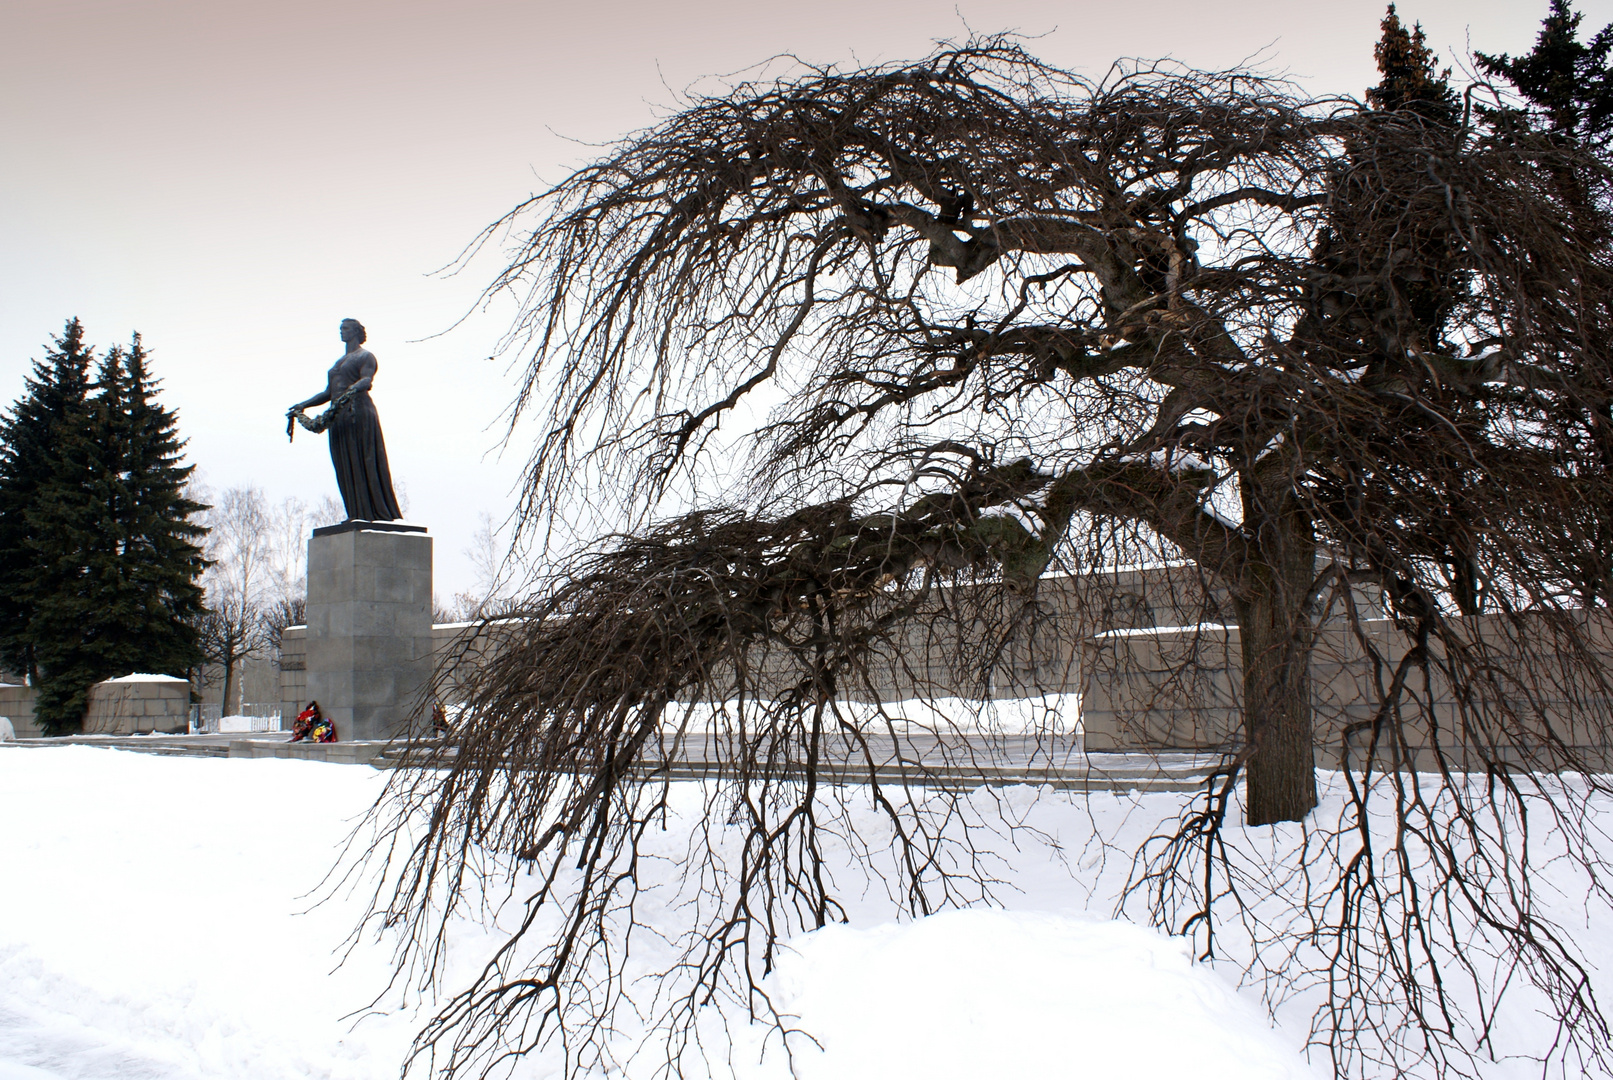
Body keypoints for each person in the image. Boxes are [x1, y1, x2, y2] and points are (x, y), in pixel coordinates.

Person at [286, 319, 403, 521]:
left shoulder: (365, 356)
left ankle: (374, 513)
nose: (342, 332)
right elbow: (328, 393)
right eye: (340, 329)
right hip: (337, 417)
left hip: (358, 412)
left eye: (346, 328)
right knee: (344, 464)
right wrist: (302, 405)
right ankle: (356, 513)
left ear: (356, 332)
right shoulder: (339, 362)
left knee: (363, 460)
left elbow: (367, 380)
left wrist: (354, 388)